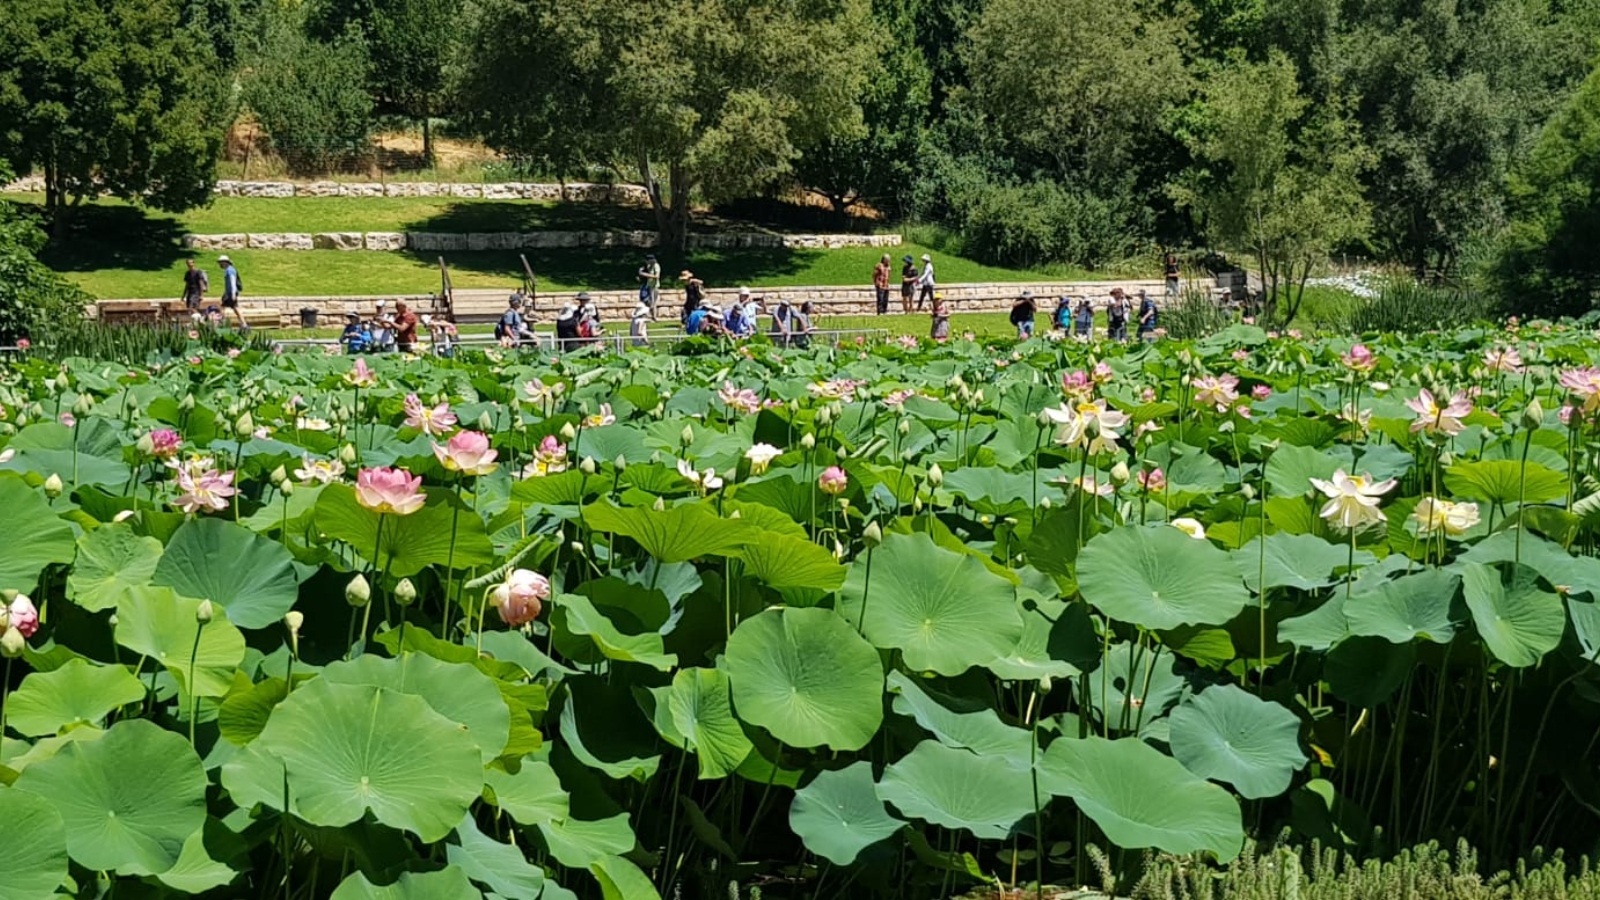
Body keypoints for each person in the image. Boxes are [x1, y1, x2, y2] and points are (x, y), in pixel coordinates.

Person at [218, 255, 246, 331]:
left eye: (221, 263)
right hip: (229, 292)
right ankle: (243, 324)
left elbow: (232, 282)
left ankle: (221, 323)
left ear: (225, 262)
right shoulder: (229, 269)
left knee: (224, 307)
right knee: (233, 307)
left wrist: (233, 293)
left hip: (231, 293)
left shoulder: (230, 270)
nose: (220, 264)